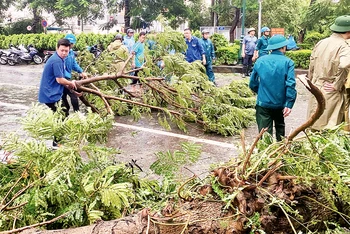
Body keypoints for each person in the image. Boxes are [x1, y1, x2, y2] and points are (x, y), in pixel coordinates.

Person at [249, 35, 297, 141]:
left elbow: (252, 83)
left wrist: (261, 92)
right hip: (280, 103)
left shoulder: (260, 61)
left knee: (264, 135)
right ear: (283, 47)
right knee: (280, 129)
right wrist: (289, 103)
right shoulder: (288, 62)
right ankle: (280, 152)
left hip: (263, 103)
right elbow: (291, 84)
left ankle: (265, 154)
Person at [306, 15, 350, 131]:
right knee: (328, 129)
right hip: (330, 89)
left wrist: (311, 82)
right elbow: (345, 64)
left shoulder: (321, 42)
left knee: (313, 124)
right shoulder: (343, 46)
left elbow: (311, 64)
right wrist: (337, 84)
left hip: (316, 87)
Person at [38, 38, 77, 147]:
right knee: (62, 114)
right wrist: (71, 83)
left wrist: (70, 87)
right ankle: (57, 143)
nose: (64, 53)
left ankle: (59, 139)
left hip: (54, 93)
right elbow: (59, 80)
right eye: (62, 50)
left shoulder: (60, 59)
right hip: (50, 95)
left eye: (66, 51)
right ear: (57, 49)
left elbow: (62, 78)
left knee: (65, 110)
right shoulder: (56, 60)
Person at [62, 34, 87, 113]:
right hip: (61, 78)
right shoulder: (62, 53)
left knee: (69, 96)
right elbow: (60, 67)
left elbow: (74, 64)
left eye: (72, 44)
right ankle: (75, 114)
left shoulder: (71, 53)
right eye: (69, 43)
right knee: (71, 96)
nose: (71, 45)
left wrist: (81, 71)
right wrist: (68, 81)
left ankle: (72, 114)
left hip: (66, 78)